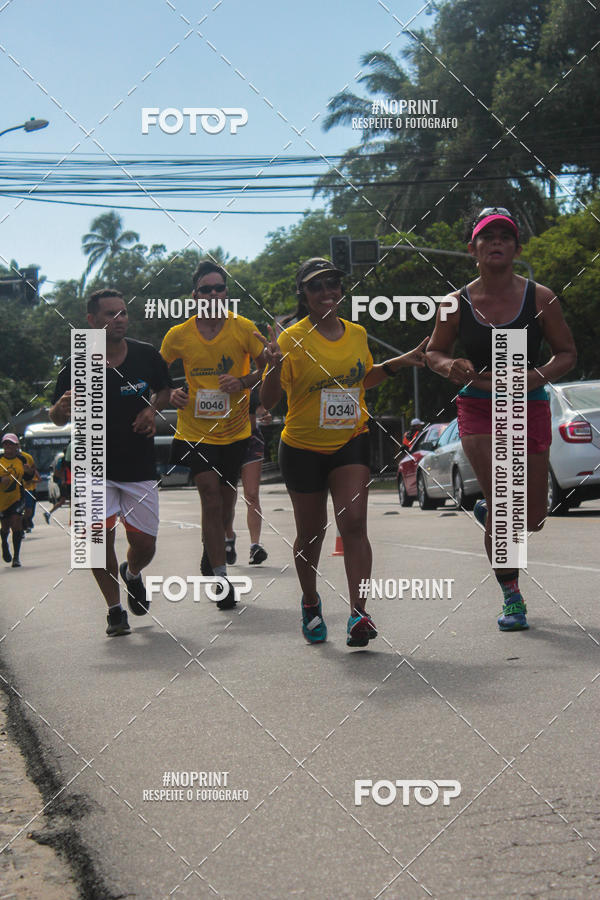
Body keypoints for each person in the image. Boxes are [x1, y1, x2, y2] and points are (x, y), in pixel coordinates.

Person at [259, 257, 428, 647]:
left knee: (353, 524)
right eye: (316, 286)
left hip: (351, 439)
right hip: (302, 447)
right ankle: (310, 601)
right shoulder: (290, 339)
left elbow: (363, 378)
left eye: (332, 283)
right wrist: (272, 367)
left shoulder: (357, 333)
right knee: (312, 533)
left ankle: (359, 613)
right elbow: (267, 401)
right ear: (303, 293)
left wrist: (399, 363)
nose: (326, 292)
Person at [426, 207, 577, 631]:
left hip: (528, 404)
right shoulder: (453, 303)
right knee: (506, 504)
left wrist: (535, 376)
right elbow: (434, 351)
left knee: (533, 517)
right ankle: (512, 595)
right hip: (478, 403)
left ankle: (488, 510)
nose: (496, 242)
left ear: (516, 248)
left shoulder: (541, 298)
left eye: (505, 236)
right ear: (472, 248)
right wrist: (448, 365)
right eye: (487, 236)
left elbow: (567, 353)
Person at [50, 288, 172, 637]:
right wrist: (61, 408)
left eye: (123, 313)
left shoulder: (146, 354)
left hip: (138, 465)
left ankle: (132, 573)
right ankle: (115, 611)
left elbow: (164, 390)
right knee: (95, 541)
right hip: (92, 466)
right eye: (110, 314)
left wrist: (152, 410)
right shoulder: (77, 363)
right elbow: (56, 416)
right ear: (92, 320)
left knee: (145, 544)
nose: (119, 320)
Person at [160, 260, 267, 608]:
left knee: (225, 504)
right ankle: (221, 579)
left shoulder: (243, 328)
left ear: (226, 293)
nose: (213, 294)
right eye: (206, 289)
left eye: (219, 288)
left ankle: (212, 551)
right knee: (209, 496)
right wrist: (170, 393)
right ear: (195, 296)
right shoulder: (178, 335)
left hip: (234, 431)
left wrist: (244, 381)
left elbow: (267, 366)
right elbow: (158, 373)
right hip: (195, 430)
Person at [224, 385, 271, 566]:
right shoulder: (217, 380)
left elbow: (260, 409)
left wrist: (264, 415)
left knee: (251, 494)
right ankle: (229, 538)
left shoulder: (250, 383)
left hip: (251, 441)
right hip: (226, 441)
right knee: (228, 496)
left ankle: (255, 546)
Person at [0, 434, 35, 568]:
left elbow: (27, 477)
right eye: (6, 444)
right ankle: (4, 543)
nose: (8, 446)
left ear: (16, 446)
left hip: (18, 497)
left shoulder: (21, 459)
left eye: (11, 444)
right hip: (2, 500)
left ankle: (16, 557)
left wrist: (29, 472)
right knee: (5, 526)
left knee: (16, 523)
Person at [43, 444, 71, 524]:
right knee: (68, 501)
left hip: (68, 483)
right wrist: (63, 480)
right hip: (65, 484)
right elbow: (57, 472)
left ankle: (48, 513)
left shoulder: (67, 460)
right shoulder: (62, 461)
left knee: (63, 501)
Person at [21, 446, 40, 533]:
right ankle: (22, 527)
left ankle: (25, 522)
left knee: (29, 510)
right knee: (19, 510)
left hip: (29, 488)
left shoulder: (27, 457)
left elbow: (33, 469)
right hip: (16, 489)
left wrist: (32, 477)